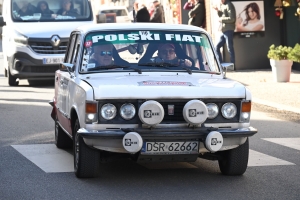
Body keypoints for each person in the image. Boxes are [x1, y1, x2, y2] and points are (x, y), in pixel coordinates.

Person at [213, 0, 236, 65]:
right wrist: (218, 11)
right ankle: (220, 64)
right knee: (217, 47)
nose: (221, 1)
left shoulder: (229, 5)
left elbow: (232, 18)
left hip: (229, 29)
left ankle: (232, 65)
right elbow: (222, 15)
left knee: (229, 47)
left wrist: (221, 19)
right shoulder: (222, 5)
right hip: (224, 30)